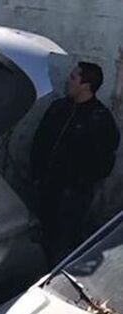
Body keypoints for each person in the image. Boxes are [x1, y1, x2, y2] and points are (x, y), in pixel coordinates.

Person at [31, 61, 121, 263]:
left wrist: (77, 182)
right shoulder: (59, 108)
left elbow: (104, 161)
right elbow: (40, 142)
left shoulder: (99, 119)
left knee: (61, 243)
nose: (68, 81)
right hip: (45, 188)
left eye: (73, 77)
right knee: (36, 237)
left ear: (86, 86)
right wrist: (36, 175)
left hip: (71, 197)